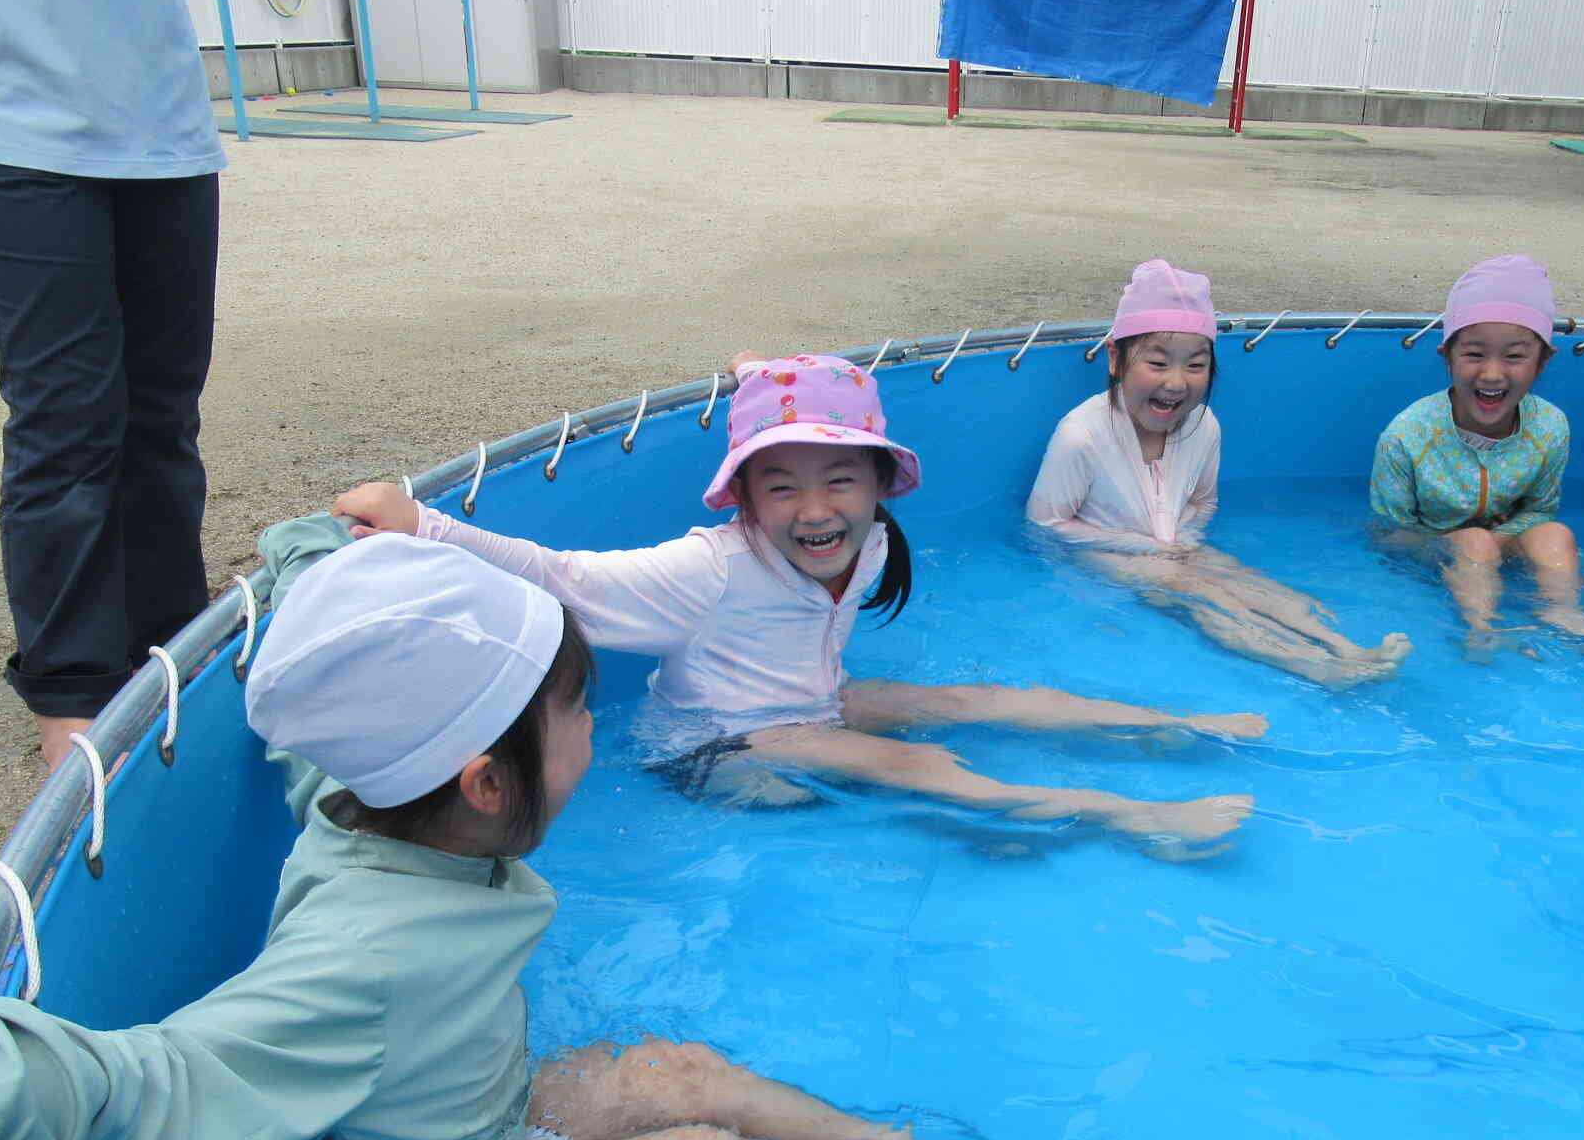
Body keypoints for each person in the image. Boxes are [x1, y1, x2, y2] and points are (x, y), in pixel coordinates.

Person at [0, 523, 1170, 1140]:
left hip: (456, 1136)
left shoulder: (367, 800)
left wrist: (319, 564)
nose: (595, 729)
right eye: (577, 711)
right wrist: (28, 1088)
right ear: (487, 782)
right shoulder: (365, 952)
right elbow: (171, 1075)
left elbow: (309, 730)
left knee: (672, 1074)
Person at [335, 353, 1263, 858]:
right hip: (713, 749)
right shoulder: (708, 570)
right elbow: (565, 576)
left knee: (977, 702)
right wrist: (422, 525)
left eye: (839, 480)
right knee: (919, 763)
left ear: (878, 486)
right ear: (743, 499)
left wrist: (759, 371)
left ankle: (1170, 725)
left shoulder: (875, 544)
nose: (815, 510)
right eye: (780, 487)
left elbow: (798, 434)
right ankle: (1129, 819)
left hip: (805, 704)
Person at [0, 0, 225, 768]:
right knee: (68, 426)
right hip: (9, 129)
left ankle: (171, 663)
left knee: (162, 424)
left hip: (167, 129)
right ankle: (72, 711)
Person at [1028, 259, 1411, 686]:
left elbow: (1203, 500)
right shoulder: (1081, 435)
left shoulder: (1204, 426)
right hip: (1103, 554)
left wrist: (1186, 537)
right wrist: (1139, 546)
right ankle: (1317, 667)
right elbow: (1047, 523)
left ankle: (1345, 646)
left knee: (1243, 578)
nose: (1176, 383)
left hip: (1175, 543)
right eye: (1157, 364)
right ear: (1116, 357)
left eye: (1195, 366)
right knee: (1201, 592)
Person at [1371, 256, 1584, 659]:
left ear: (1543, 362)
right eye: (1474, 354)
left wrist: (1497, 541)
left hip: (1502, 542)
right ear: (1447, 357)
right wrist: (1463, 546)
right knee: (1474, 543)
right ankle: (1481, 628)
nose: (1492, 374)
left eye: (1514, 357)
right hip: (1435, 550)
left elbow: (1540, 509)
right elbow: (1388, 532)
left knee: (1555, 535)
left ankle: (1566, 617)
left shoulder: (1549, 427)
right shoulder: (1408, 434)